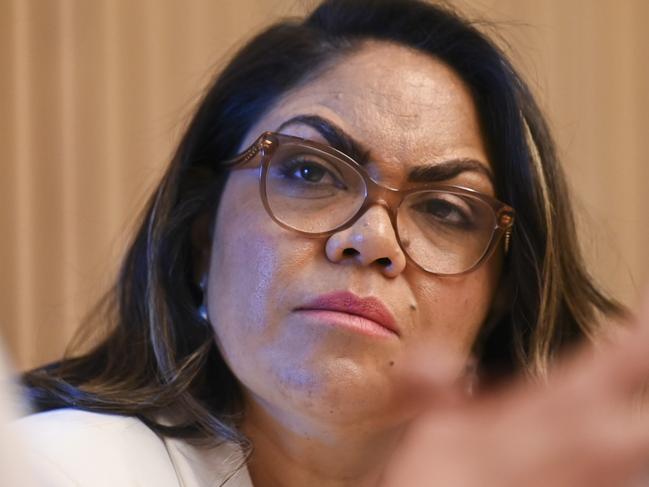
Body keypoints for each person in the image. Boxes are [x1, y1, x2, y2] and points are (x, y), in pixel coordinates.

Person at [15, 0, 649, 485]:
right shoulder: (58, 466)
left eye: (446, 210)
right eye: (309, 171)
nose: (372, 241)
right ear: (202, 235)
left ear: (500, 298)